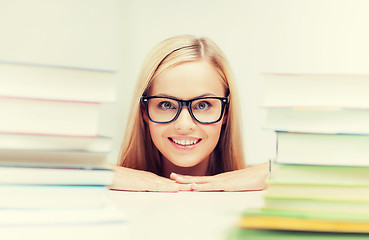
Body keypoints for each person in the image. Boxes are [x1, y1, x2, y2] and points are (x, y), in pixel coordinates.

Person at [110, 35, 268, 192]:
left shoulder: (263, 181)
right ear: (144, 111)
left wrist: (271, 172)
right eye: (166, 105)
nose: (184, 125)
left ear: (225, 112)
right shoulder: (108, 182)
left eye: (203, 105)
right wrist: (100, 174)